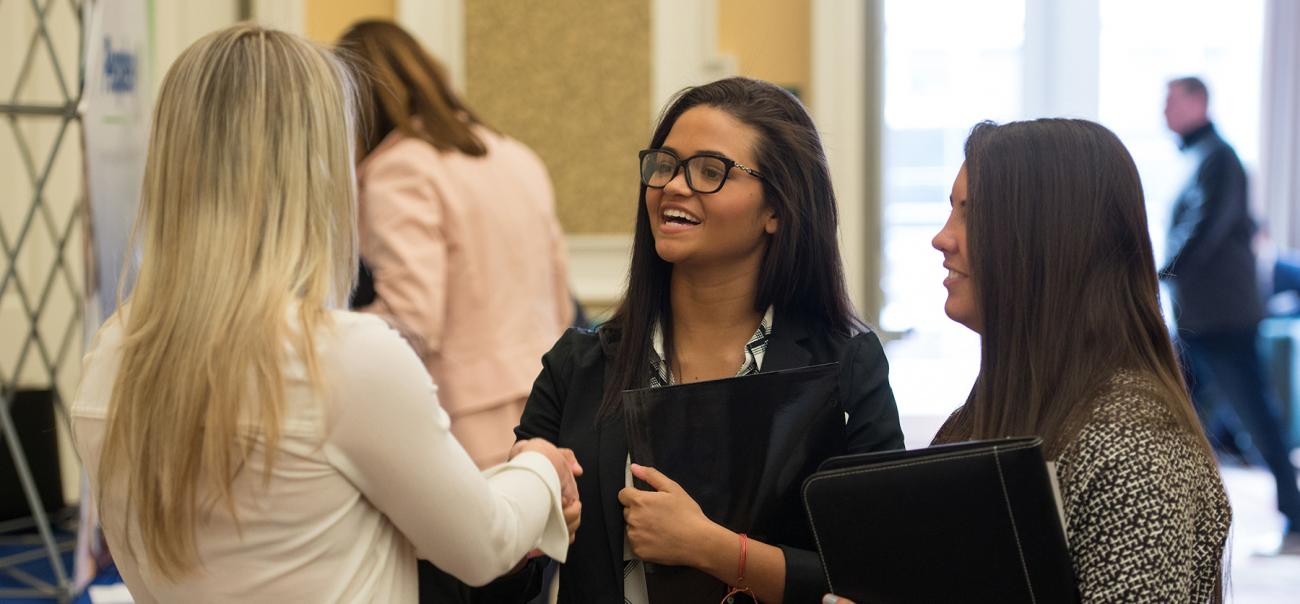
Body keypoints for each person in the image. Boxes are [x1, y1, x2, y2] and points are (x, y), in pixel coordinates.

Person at [69, 24, 580, 602]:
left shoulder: (107, 355)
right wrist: (539, 465)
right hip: (502, 415)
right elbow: (485, 545)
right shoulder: (342, 355)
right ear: (314, 168)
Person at [494, 77, 903, 603]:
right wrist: (517, 518)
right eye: (664, 164)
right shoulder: (579, 365)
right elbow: (500, 584)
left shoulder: (845, 366)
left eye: (711, 171)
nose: (674, 186)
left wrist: (712, 548)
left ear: (776, 209)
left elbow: (878, 574)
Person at [900, 119, 1228, 602]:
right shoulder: (1014, 396)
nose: (942, 239)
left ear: (1046, 241)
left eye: (970, 216)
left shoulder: (1132, 448)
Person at [338, 20, 574, 469]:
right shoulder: (515, 155)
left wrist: (319, 332)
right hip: (551, 402)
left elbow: (411, 319)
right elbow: (560, 297)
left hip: (464, 420)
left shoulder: (400, 169)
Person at [1161, 76, 1300, 553]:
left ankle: (1297, 517)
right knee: (1184, 419)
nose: (1163, 112)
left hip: (1223, 318)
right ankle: (1177, 516)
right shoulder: (1201, 158)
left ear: (1198, 103)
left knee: (1255, 419)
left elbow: (1204, 229)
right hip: (1203, 317)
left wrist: (1158, 269)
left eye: (1171, 102)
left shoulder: (1219, 158)